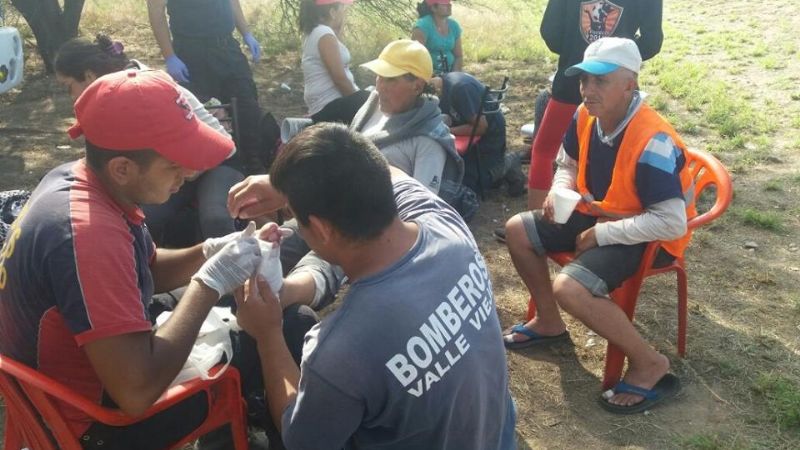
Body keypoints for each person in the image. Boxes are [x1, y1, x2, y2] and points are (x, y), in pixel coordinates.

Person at [0, 69, 316, 450]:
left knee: (239, 307)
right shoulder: (91, 236)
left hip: (69, 383)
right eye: (174, 165)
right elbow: (137, 392)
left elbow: (146, 268)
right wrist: (208, 284)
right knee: (288, 326)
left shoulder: (81, 182)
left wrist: (209, 251)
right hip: (99, 424)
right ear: (122, 168)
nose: (189, 174)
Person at [227, 122, 516, 449]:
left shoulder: (341, 350)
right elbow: (388, 171)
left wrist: (268, 335)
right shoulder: (442, 221)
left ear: (320, 229)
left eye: (292, 213)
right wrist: (288, 189)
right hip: (495, 435)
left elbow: (302, 441)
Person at [502, 38, 692, 414]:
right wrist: (558, 190)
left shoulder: (652, 140)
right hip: (603, 212)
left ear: (629, 84)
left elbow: (671, 222)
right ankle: (548, 321)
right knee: (517, 229)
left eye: (600, 81)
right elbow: (569, 164)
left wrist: (602, 234)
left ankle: (650, 363)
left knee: (570, 288)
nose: (588, 90)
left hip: (649, 237)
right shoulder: (585, 114)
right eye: (584, 80)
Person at [54, 35, 245, 245]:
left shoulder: (143, 92)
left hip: (217, 162)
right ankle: (146, 263)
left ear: (89, 75)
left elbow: (225, 146)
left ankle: (235, 263)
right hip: (172, 167)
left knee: (216, 219)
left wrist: (186, 170)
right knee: (145, 220)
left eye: (68, 86)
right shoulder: (109, 99)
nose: (70, 95)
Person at [526, 0, 663, 211]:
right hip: (616, 87)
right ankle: (605, 215)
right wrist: (622, 60)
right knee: (619, 156)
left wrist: (576, 50)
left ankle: (539, 217)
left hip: (573, 77)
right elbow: (652, 41)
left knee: (545, 152)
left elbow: (550, 31)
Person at [351, 39, 476, 219]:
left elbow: (420, 212)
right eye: (379, 76)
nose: (379, 87)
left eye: (390, 79)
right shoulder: (371, 108)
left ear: (417, 86)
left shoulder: (428, 141)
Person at [147, 0, 266, 175]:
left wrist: (246, 33)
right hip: (193, 52)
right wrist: (169, 56)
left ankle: (252, 165)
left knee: (247, 106)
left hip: (227, 46)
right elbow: (156, 11)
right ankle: (218, 170)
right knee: (208, 112)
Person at [429, 71, 526, 197]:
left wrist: (446, 130)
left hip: (488, 137)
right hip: (469, 132)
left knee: (473, 184)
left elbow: (481, 127)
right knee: (456, 176)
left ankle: (510, 161)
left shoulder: (460, 88)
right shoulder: (441, 87)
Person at [300, 0, 369, 124]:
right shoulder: (324, 33)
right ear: (332, 12)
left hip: (325, 105)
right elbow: (339, 79)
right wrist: (361, 104)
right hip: (330, 105)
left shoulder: (316, 32)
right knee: (376, 100)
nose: (345, 13)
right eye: (342, 8)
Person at [411, 0, 463, 75]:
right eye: (444, 4)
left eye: (449, 3)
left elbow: (459, 56)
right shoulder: (422, 26)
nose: (449, 5)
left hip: (451, 73)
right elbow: (416, 58)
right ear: (433, 8)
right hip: (428, 74)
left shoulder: (454, 25)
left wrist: (455, 75)